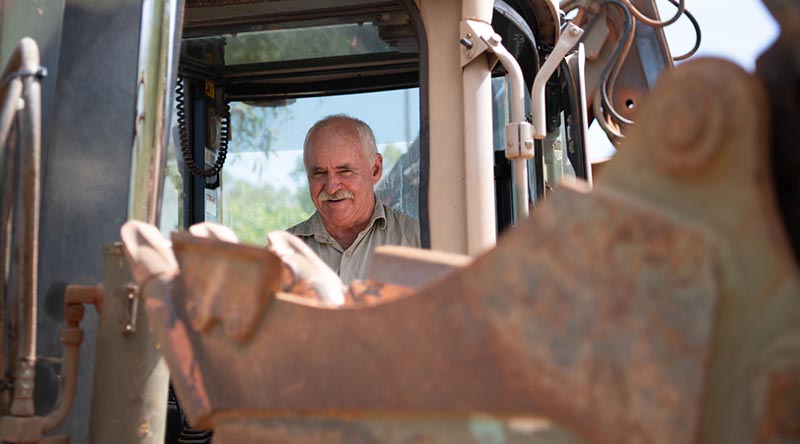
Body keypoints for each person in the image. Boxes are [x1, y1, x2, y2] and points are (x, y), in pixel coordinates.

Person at [287, 114, 420, 284]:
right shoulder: (282, 255)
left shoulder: (419, 242)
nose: (332, 187)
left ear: (375, 170)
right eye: (319, 173)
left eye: (345, 171)